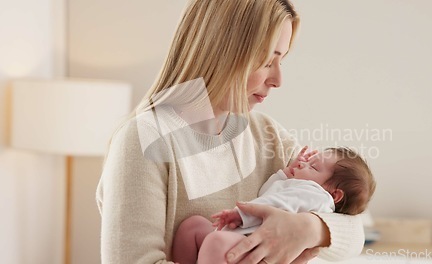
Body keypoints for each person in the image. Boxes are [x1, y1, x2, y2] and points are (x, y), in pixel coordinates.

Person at [96, 1, 365, 263]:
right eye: (267, 62)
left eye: (281, 61)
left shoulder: (268, 135)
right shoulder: (142, 141)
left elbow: (354, 231)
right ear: (222, 52)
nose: (278, 80)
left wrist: (308, 228)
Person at [172, 147, 376, 264]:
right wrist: (286, 174)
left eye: (313, 166)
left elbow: (274, 202)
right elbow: (269, 193)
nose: (304, 164)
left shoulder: (318, 196)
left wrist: (240, 214)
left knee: (215, 241)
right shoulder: (301, 188)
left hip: (256, 250)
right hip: (242, 241)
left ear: (335, 194)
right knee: (194, 226)